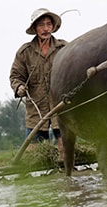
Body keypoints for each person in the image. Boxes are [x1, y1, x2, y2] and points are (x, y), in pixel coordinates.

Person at [9, 8, 68, 146]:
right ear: (35, 28)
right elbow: (15, 76)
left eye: (48, 24)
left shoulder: (64, 48)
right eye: (41, 25)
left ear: (53, 27)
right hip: (36, 111)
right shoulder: (25, 52)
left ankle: (68, 166)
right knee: (35, 153)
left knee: (64, 148)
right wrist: (19, 87)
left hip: (61, 107)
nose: (46, 28)